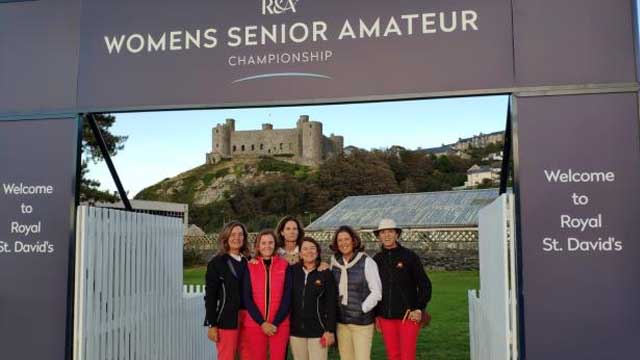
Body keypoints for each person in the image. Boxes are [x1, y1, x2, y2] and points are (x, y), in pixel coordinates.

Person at [373, 219, 432, 360]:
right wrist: (376, 316)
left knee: (407, 356)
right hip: (386, 317)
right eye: (383, 232)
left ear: (397, 234)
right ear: (379, 236)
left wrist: (418, 308)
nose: (386, 235)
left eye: (390, 231)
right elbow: (373, 289)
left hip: (408, 315)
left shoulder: (409, 256)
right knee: (393, 355)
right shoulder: (376, 259)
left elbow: (425, 285)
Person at [329, 225, 382, 360]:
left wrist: (362, 308)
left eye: (347, 239)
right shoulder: (334, 263)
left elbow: (377, 292)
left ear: (354, 241)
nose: (343, 243)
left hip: (362, 323)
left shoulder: (367, 262)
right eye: (340, 240)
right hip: (341, 322)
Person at [242, 229, 292, 360]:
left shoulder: (285, 265)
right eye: (263, 243)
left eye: (270, 242)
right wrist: (262, 323)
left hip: (280, 325)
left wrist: (275, 323)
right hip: (255, 324)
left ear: (275, 245)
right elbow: (247, 298)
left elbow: (287, 297)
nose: (267, 246)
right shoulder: (250, 266)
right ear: (258, 246)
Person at [204, 221, 251, 360]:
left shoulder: (249, 261)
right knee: (227, 356)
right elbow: (210, 296)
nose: (237, 238)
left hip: (250, 317)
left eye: (240, 234)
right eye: (233, 234)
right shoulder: (217, 263)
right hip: (227, 317)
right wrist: (212, 324)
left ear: (244, 238)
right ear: (226, 237)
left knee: (249, 355)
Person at [289, 237, 337, 360]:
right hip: (296, 331)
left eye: (312, 248)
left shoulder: (325, 273)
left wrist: (330, 330)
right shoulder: (292, 271)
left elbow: (331, 303)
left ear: (318, 251)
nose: (309, 251)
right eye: (305, 249)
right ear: (300, 253)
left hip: (319, 331)